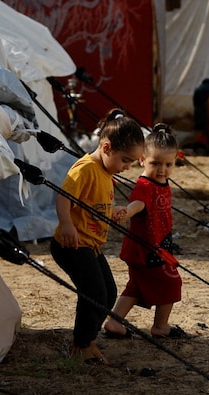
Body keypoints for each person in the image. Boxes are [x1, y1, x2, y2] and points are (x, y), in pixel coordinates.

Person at [50, 108, 145, 366]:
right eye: (125, 160)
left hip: (91, 245)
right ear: (106, 147)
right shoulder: (85, 169)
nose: (127, 167)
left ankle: (87, 339)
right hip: (72, 244)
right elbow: (63, 197)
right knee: (93, 292)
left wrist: (112, 212)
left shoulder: (105, 172)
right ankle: (81, 345)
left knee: (108, 293)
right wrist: (66, 224)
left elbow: (92, 204)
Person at [103, 123, 188, 339]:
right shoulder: (145, 185)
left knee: (136, 286)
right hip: (147, 250)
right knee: (171, 282)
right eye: (155, 163)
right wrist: (128, 212)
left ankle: (114, 322)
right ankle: (161, 326)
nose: (162, 169)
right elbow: (139, 203)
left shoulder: (162, 181)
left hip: (154, 246)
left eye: (168, 164)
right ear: (142, 160)